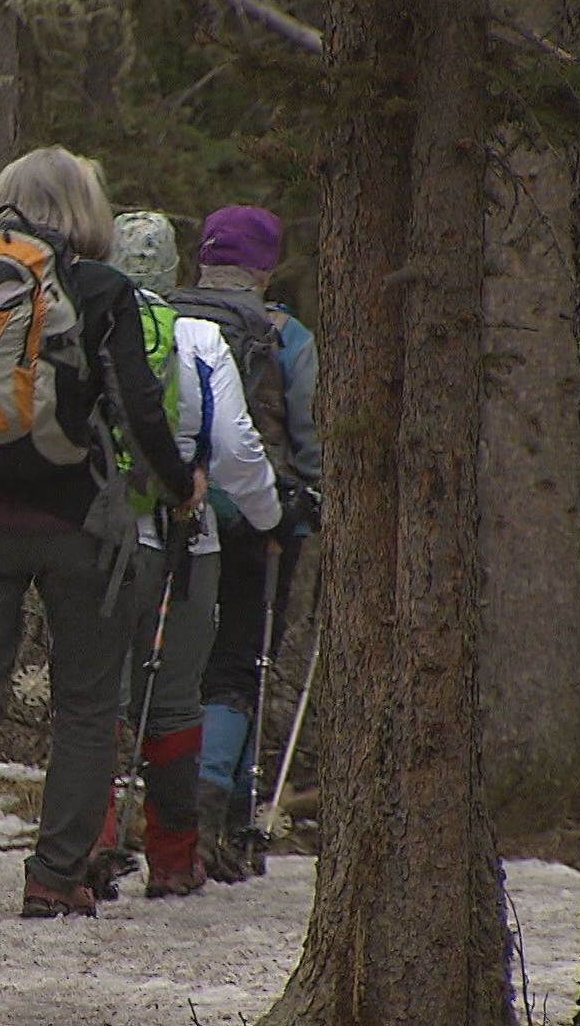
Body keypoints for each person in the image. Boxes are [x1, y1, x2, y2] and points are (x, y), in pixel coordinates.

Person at [0, 148, 204, 918]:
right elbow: (137, 401)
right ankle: (55, 876)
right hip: (78, 522)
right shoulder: (101, 289)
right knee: (86, 706)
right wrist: (179, 485)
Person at [97, 211, 280, 898]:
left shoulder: (83, 328)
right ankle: (174, 860)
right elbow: (234, 449)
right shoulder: (197, 337)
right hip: (185, 543)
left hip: (95, 541)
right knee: (173, 703)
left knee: (92, 700)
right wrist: (268, 516)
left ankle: (86, 845)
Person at [172, 206, 321, 883]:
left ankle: (175, 819)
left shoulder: (162, 317)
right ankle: (220, 822)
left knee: (174, 665)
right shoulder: (287, 336)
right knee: (238, 666)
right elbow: (308, 433)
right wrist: (310, 499)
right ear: (265, 267)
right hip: (260, 519)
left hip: (172, 511)